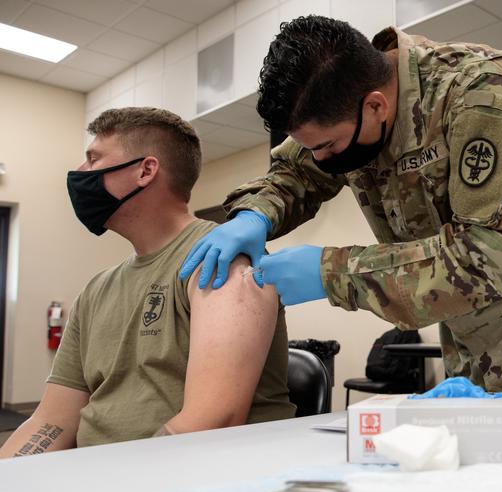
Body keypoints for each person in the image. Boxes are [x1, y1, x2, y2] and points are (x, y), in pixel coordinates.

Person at [179, 16, 502, 418]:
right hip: (471, 330)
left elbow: (488, 257)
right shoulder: (341, 101)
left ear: (375, 105)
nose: (321, 158)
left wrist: (330, 273)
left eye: (330, 148)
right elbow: (294, 174)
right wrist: (254, 214)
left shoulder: (484, 94)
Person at [0, 108, 295, 459]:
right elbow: (51, 421)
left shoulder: (221, 256)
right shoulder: (96, 291)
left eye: (93, 159)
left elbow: (214, 419)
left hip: (192, 481)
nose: (81, 172)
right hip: (98, 479)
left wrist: (112, 486)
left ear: (145, 171)